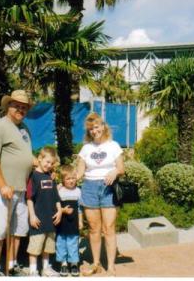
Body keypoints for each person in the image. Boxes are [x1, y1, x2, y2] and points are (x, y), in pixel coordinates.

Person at [0, 90, 35, 277]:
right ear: (8, 106)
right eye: (17, 105)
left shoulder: (24, 129)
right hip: (2, 190)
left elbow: (27, 156)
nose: (20, 109)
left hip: (21, 189)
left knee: (18, 229)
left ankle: (12, 265)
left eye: (24, 107)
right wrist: (3, 185)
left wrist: (46, 165)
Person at [76, 112, 125, 277]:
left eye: (96, 127)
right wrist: (66, 178)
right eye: (91, 129)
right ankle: (96, 263)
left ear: (103, 127)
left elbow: (121, 168)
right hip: (89, 188)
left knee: (109, 228)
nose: (94, 131)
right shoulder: (86, 148)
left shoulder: (114, 145)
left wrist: (115, 172)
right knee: (94, 228)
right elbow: (80, 172)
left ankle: (111, 265)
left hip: (108, 188)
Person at [26, 147, 62, 277]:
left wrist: (59, 211)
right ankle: (33, 271)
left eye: (52, 163)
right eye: (47, 162)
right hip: (38, 220)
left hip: (51, 220)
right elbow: (29, 198)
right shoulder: (33, 176)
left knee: (48, 247)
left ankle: (46, 269)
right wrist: (32, 215)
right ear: (40, 159)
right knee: (35, 248)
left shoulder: (50, 176)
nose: (49, 165)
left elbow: (56, 196)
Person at [55, 165, 83, 277]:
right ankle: (63, 263)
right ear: (62, 180)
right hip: (62, 223)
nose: (71, 181)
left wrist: (80, 221)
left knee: (73, 243)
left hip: (73, 223)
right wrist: (63, 210)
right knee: (61, 243)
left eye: (73, 178)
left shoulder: (78, 191)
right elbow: (54, 205)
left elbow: (80, 209)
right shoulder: (60, 191)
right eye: (68, 179)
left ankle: (74, 263)